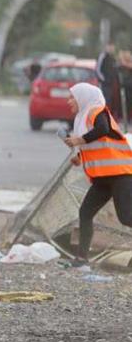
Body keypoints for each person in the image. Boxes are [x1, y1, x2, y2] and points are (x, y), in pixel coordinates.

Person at [62, 83, 132, 266]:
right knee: (85, 212)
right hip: (103, 178)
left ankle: (82, 257)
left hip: (120, 175)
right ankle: (81, 258)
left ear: (83, 97)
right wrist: (79, 157)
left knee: (125, 216)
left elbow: (103, 129)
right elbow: (95, 145)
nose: (69, 101)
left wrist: (79, 140)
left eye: (72, 97)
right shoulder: (82, 118)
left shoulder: (97, 110)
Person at [96, 41, 120, 118]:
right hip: (105, 84)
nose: (111, 49)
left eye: (112, 47)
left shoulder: (113, 57)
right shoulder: (103, 56)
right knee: (104, 100)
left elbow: (115, 70)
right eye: (110, 47)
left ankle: (108, 117)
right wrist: (104, 80)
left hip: (112, 84)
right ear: (107, 47)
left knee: (110, 101)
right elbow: (98, 70)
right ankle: (103, 117)